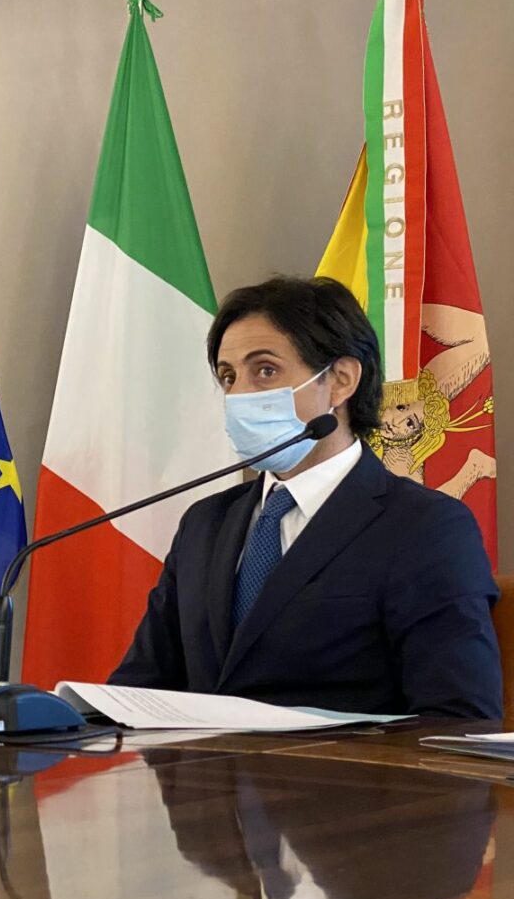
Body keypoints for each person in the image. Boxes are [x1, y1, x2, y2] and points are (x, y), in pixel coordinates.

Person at [111, 277, 501, 718]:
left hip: (342, 765)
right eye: (228, 376)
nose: (239, 395)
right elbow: (137, 691)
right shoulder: (204, 523)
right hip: (197, 762)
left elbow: (458, 718)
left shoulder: (425, 528)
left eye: (265, 370)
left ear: (341, 381)